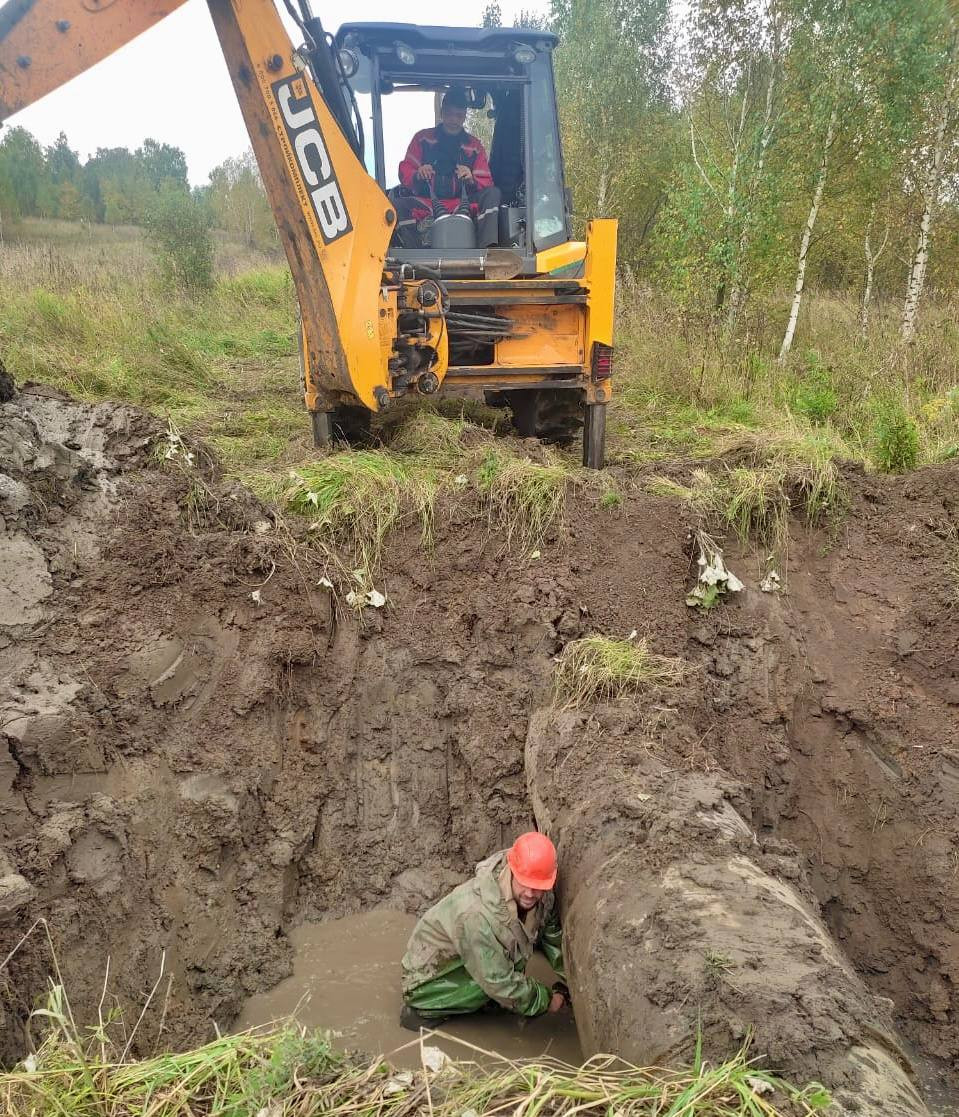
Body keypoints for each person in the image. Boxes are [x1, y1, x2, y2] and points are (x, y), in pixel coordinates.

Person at [400, 832, 569, 1030]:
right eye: (525, 883)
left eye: (537, 886)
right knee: (493, 986)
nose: (531, 894)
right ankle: (422, 1011)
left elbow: (551, 932)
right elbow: (498, 981)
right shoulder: (476, 915)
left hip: (474, 955)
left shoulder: (537, 886)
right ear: (512, 870)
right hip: (429, 978)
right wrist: (545, 999)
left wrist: (569, 980)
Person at [394, 87, 502, 249]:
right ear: (442, 112)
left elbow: (487, 180)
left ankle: (487, 250)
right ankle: (413, 255)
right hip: (427, 203)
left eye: (458, 115)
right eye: (449, 114)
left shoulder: (474, 146)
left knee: (493, 194)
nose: (453, 119)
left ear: (464, 115)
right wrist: (418, 173)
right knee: (398, 205)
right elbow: (405, 170)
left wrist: (471, 177)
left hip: (463, 204)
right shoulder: (422, 138)